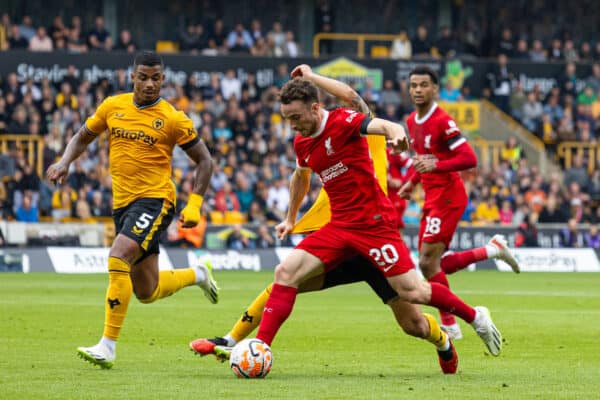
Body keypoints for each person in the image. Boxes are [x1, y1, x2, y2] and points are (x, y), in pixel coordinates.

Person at [197, 66, 503, 374]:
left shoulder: (346, 121)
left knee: (414, 305)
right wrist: (290, 219)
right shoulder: (302, 141)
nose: (291, 126)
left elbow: (387, 124)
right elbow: (300, 177)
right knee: (285, 273)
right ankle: (259, 347)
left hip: (373, 226)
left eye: (295, 118)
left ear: (316, 108)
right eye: (286, 119)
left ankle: (473, 319)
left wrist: (397, 136)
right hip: (340, 229)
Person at [46, 51, 219, 369]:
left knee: (118, 255)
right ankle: (198, 274)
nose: (150, 84)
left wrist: (194, 203)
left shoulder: (172, 118)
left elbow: (205, 161)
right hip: (122, 203)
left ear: (163, 80)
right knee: (146, 291)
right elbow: (82, 136)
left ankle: (107, 346)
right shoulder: (113, 106)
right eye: (144, 77)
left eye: (156, 78)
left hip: (156, 200)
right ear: (133, 77)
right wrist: (64, 161)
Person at [398, 66, 520, 340]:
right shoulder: (412, 120)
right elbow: (424, 159)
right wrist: (412, 182)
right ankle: (491, 250)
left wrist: (436, 166)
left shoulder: (442, 120)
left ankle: (450, 325)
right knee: (432, 264)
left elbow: (469, 159)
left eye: (423, 85)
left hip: (449, 196)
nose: (417, 90)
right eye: (413, 85)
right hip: (432, 196)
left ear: (435, 89)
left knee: (428, 263)